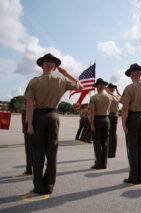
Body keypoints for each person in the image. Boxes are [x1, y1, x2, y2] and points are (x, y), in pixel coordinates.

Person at [24, 53, 83, 194]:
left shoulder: (34, 81)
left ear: (42, 66)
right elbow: (80, 86)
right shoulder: (61, 81)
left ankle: (38, 186)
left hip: (38, 116)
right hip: (53, 116)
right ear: (55, 67)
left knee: (38, 152)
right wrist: (67, 73)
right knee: (52, 153)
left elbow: (30, 105)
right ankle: (49, 185)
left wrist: (30, 124)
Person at [89, 79, 119, 169]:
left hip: (97, 119)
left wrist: (91, 124)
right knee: (105, 142)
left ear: (97, 86)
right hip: (106, 119)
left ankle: (98, 163)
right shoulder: (110, 97)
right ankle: (104, 163)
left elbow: (92, 112)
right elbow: (116, 100)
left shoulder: (94, 97)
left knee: (97, 142)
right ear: (104, 86)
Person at [107, 83, 121, 158]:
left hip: (109, 116)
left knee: (108, 135)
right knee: (113, 134)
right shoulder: (117, 96)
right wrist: (117, 91)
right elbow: (121, 97)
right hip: (115, 115)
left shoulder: (109, 96)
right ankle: (113, 152)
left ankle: (109, 152)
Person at [21, 100, 32, 175]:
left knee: (28, 149)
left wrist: (24, 127)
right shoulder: (40, 99)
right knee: (38, 151)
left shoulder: (28, 99)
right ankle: (37, 170)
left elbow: (24, 114)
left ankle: (29, 169)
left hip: (29, 127)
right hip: (39, 126)